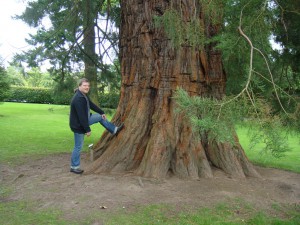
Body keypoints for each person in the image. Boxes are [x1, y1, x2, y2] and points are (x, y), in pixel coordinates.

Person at [69, 78, 124, 174]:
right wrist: (87, 129)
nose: (87, 87)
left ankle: (114, 130)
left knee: (99, 117)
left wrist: (101, 112)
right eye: (84, 85)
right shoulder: (78, 99)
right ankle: (74, 167)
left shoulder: (83, 95)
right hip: (79, 125)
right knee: (78, 146)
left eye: (88, 86)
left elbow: (91, 105)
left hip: (84, 120)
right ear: (79, 86)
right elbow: (81, 117)